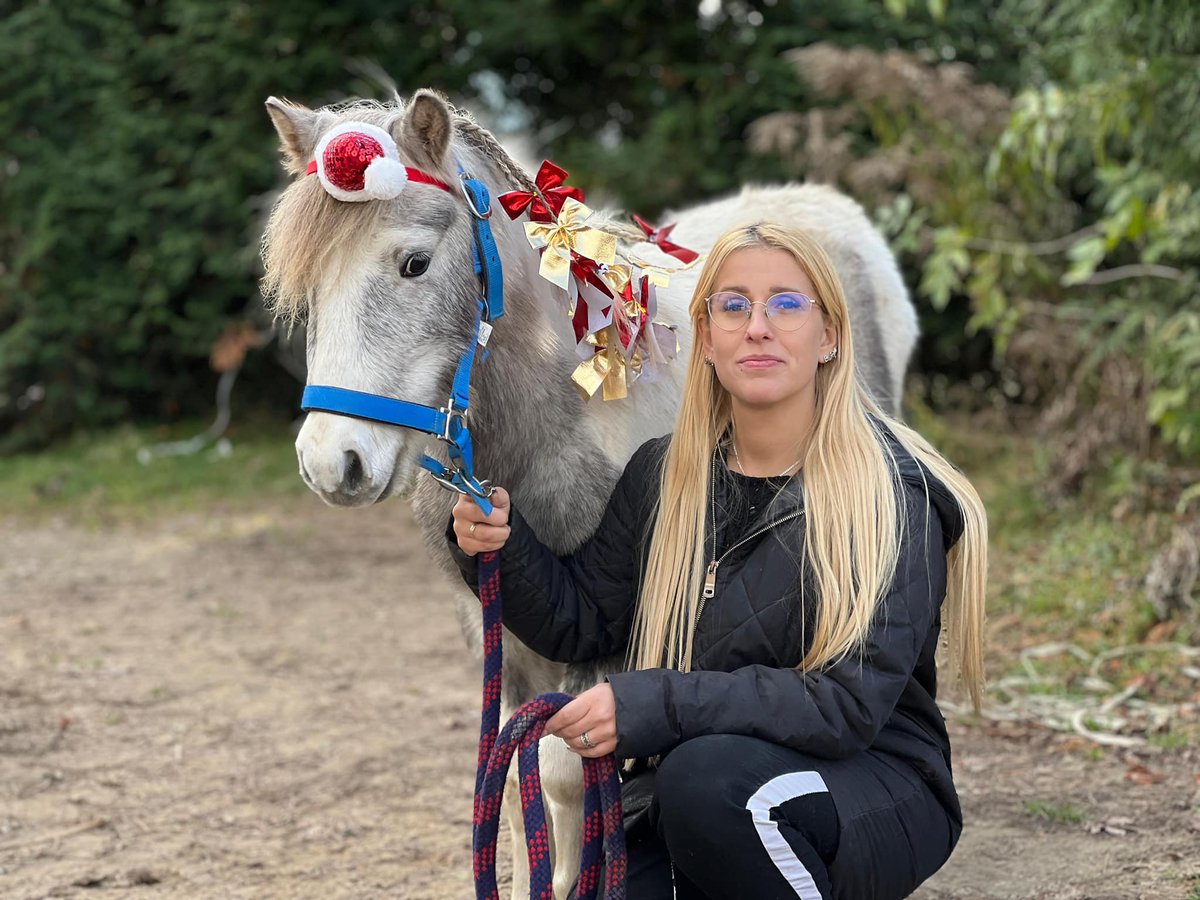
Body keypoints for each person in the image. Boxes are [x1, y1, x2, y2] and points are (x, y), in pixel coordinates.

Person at [448, 223, 988, 900]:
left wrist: (654, 704)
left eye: (786, 305)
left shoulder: (890, 494)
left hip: (868, 781)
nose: (757, 327)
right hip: (693, 793)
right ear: (706, 338)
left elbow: (848, 705)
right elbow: (582, 622)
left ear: (830, 336)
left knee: (708, 782)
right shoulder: (665, 475)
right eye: (733, 306)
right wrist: (500, 546)